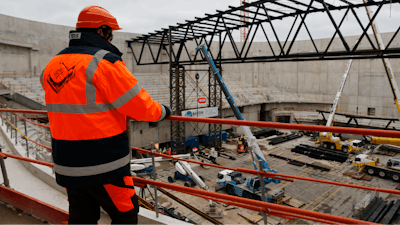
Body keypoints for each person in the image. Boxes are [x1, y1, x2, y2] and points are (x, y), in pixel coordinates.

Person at [40, 5, 170, 225]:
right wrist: (164, 111)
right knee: (125, 216)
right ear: (101, 30)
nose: (112, 37)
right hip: (103, 163)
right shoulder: (104, 62)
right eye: (110, 32)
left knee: (82, 218)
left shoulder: (52, 64)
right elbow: (140, 106)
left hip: (67, 162)